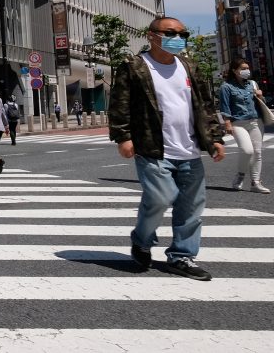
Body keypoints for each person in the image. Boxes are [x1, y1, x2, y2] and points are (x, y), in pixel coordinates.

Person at [109, 16, 226, 281]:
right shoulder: (135, 66)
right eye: (171, 33)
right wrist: (123, 137)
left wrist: (215, 138)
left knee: (192, 207)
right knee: (161, 197)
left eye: (182, 34)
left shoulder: (189, 67)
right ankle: (141, 239)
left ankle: (181, 256)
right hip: (152, 148)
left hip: (190, 149)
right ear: (152, 35)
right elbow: (119, 104)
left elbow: (205, 105)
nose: (178, 39)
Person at [218, 58, 270, 193]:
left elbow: (260, 103)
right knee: (247, 151)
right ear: (234, 70)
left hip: (255, 121)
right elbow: (224, 107)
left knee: (257, 152)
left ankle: (255, 183)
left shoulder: (252, 84)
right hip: (237, 123)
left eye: (247, 68)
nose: (246, 71)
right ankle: (240, 175)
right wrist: (227, 123)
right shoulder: (226, 87)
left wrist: (260, 96)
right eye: (243, 68)